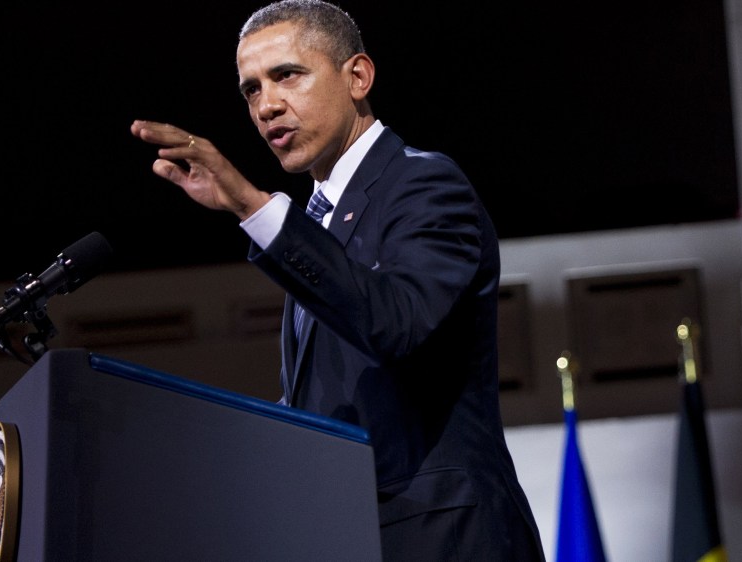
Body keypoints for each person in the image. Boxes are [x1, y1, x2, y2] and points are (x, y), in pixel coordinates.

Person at [130, 1, 546, 560]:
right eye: (251, 89)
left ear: (357, 77)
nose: (266, 105)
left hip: (442, 538)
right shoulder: (321, 218)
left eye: (287, 75)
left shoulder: (424, 184)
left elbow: (394, 323)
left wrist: (254, 206)